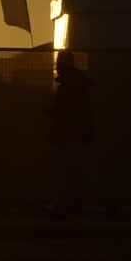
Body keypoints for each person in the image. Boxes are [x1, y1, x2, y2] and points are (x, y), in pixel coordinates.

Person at [47, 51, 92, 215]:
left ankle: (67, 204)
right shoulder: (77, 84)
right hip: (74, 133)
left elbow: (69, 111)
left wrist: (54, 113)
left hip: (69, 133)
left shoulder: (69, 86)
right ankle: (72, 203)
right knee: (73, 169)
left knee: (69, 169)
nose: (57, 65)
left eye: (59, 62)